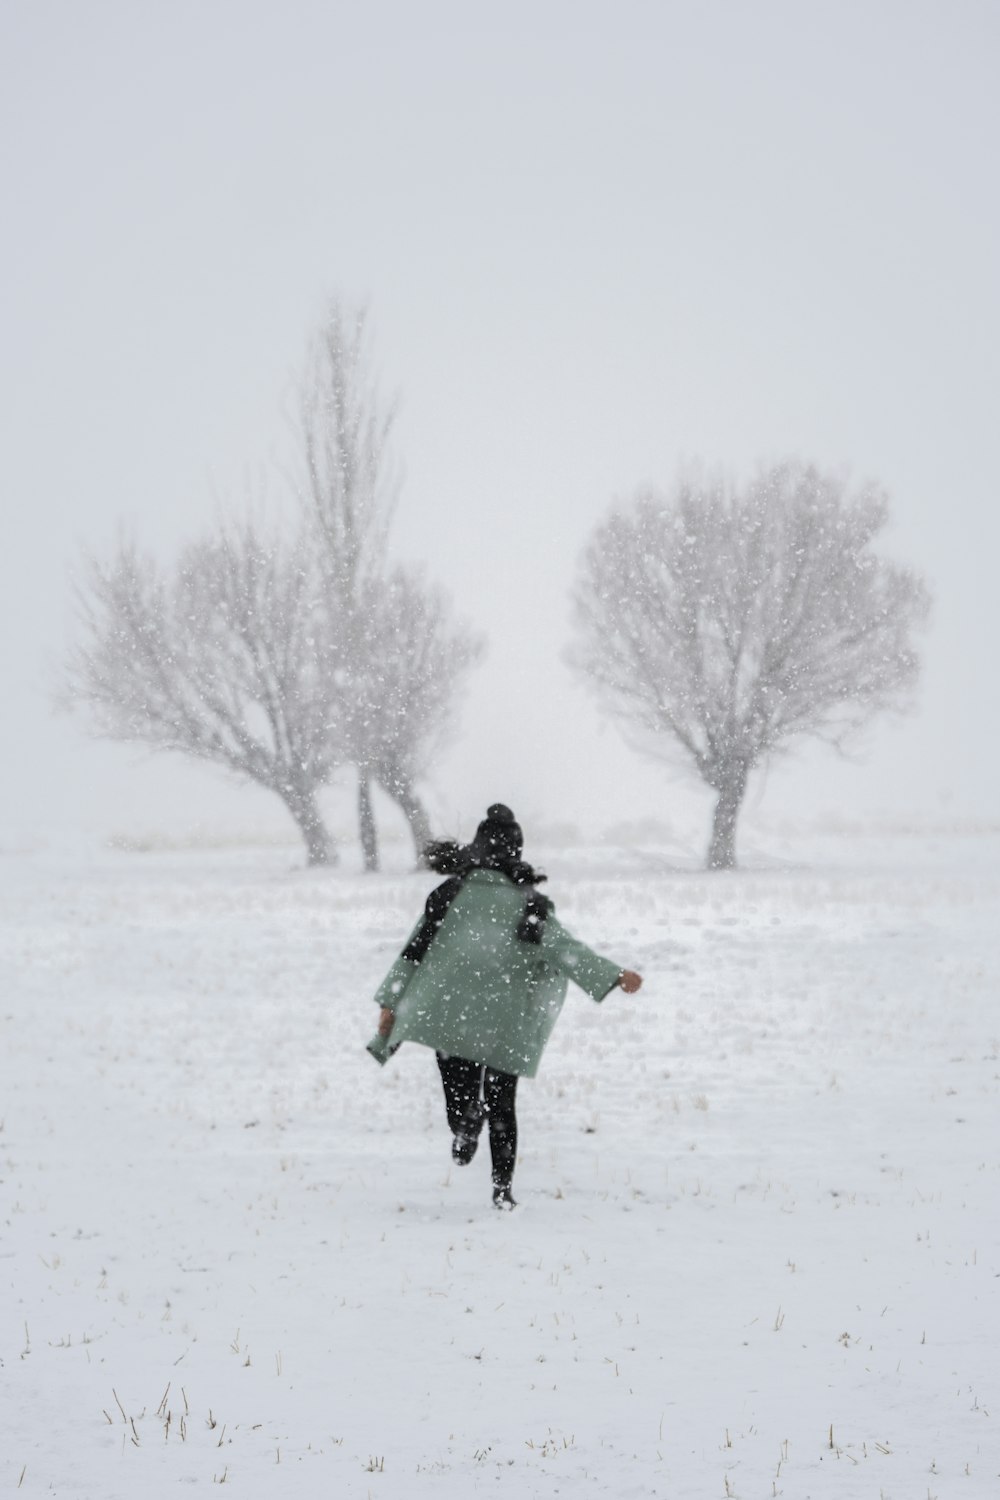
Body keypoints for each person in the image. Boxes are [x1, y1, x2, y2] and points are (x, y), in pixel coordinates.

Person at [366, 804, 642, 1210]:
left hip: (452, 1019)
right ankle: (502, 1191)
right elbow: (565, 950)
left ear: (477, 848)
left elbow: (413, 953)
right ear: (517, 852)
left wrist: (390, 1002)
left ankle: (464, 1126)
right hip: (504, 1022)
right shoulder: (530, 904)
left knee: (458, 1092)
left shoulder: (448, 895)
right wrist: (614, 975)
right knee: (502, 1106)